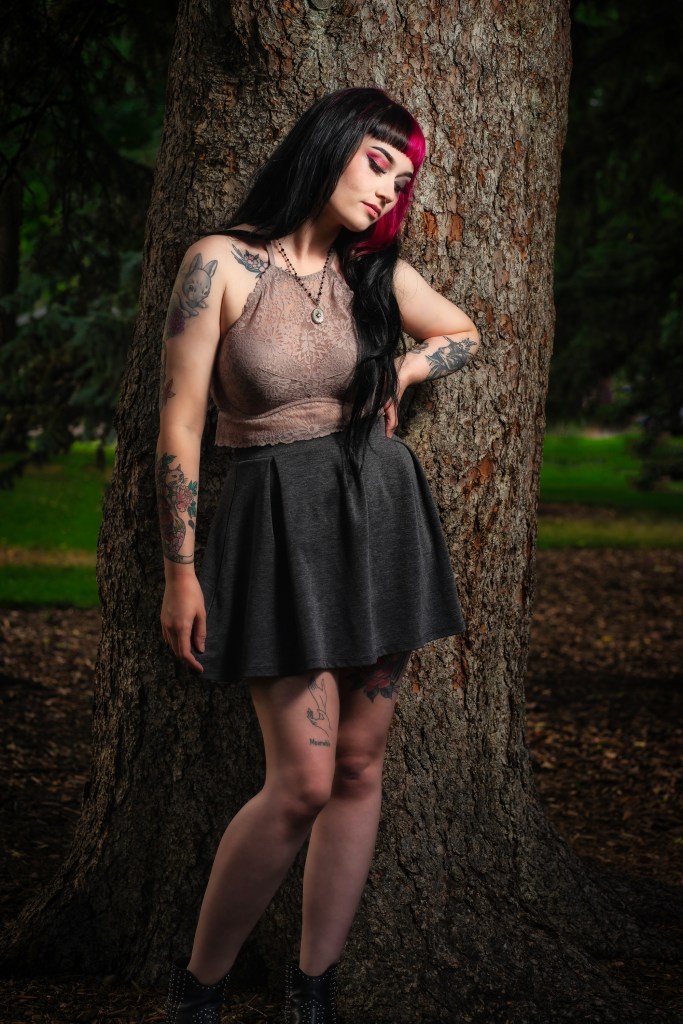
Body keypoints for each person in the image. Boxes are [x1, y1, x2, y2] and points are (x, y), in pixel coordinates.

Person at [157, 87, 480, 1024]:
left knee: (360, 767)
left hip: (378, 515)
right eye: (379, 164)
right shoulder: (218, 262)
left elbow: (460, 331)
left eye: (405, 181)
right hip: (274, 526)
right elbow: (179, 423)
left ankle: (312, 994)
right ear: (330, 144)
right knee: (299, 780)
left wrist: (409, 369)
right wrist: (181, 570)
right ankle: (198, 993)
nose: (390, 192)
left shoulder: (376, 278)